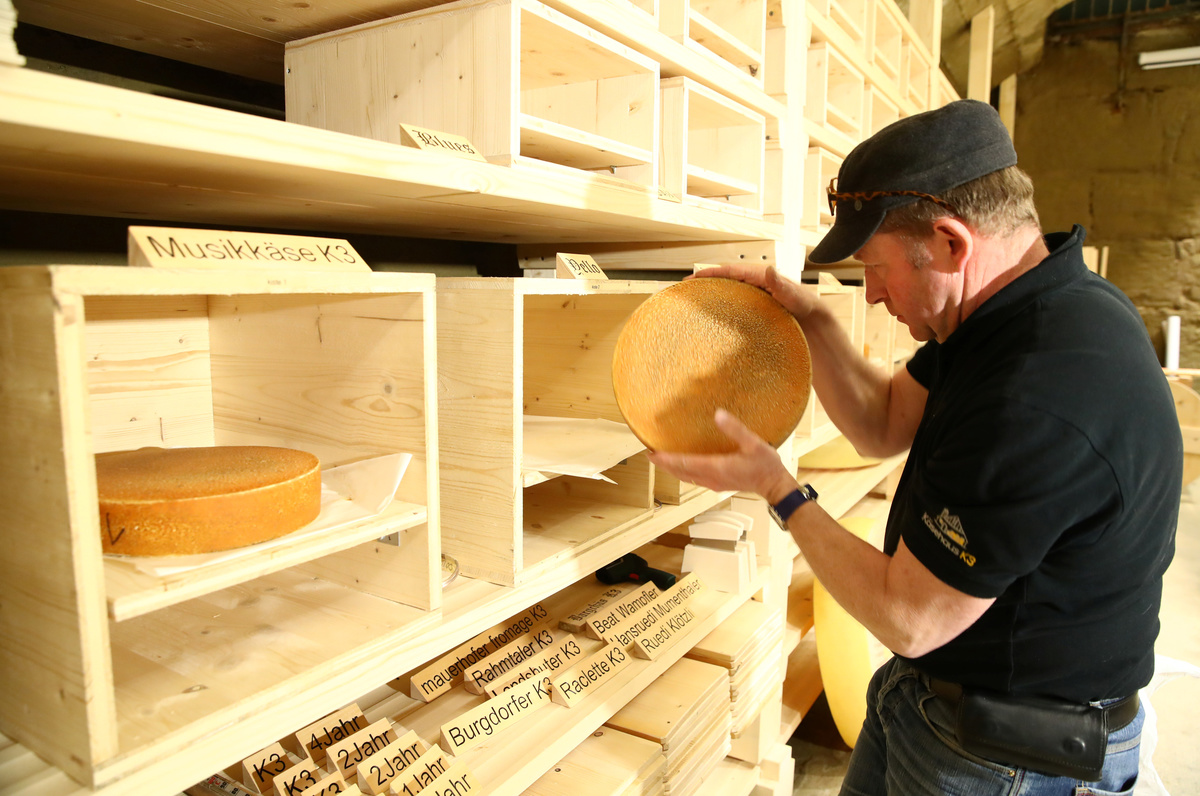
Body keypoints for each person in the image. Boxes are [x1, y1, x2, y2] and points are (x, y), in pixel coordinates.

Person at [647, 99, 1180, 794]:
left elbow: (909, 617)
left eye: (876, 267)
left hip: (1010, 756)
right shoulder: (1010, 312)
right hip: (941, 700)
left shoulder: (1037, 389)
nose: (870, 293)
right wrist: (810, 319)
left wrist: (779, 489)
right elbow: (884, 421)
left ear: (952, 243)